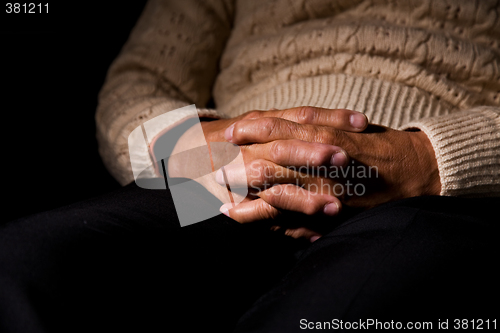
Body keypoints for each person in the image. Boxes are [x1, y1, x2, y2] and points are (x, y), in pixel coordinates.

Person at [1, 0, 499, 332]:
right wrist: (195, 144)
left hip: (430, 189)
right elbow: (142, 74)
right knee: (24, 263)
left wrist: (427, 160)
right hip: (224, 166)